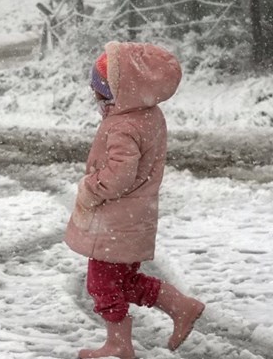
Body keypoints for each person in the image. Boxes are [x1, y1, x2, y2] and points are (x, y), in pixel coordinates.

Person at [65, 42, 205, 358]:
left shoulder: (123, 124)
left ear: (119, 91)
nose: (97, 98)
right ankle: (180, 306)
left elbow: (120, 175)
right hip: (134, 218)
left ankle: (119, 345)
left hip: (115, 220)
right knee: (124, 281)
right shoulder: (148, 114)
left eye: (100, 92)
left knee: (102, 285)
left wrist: (91, 186)